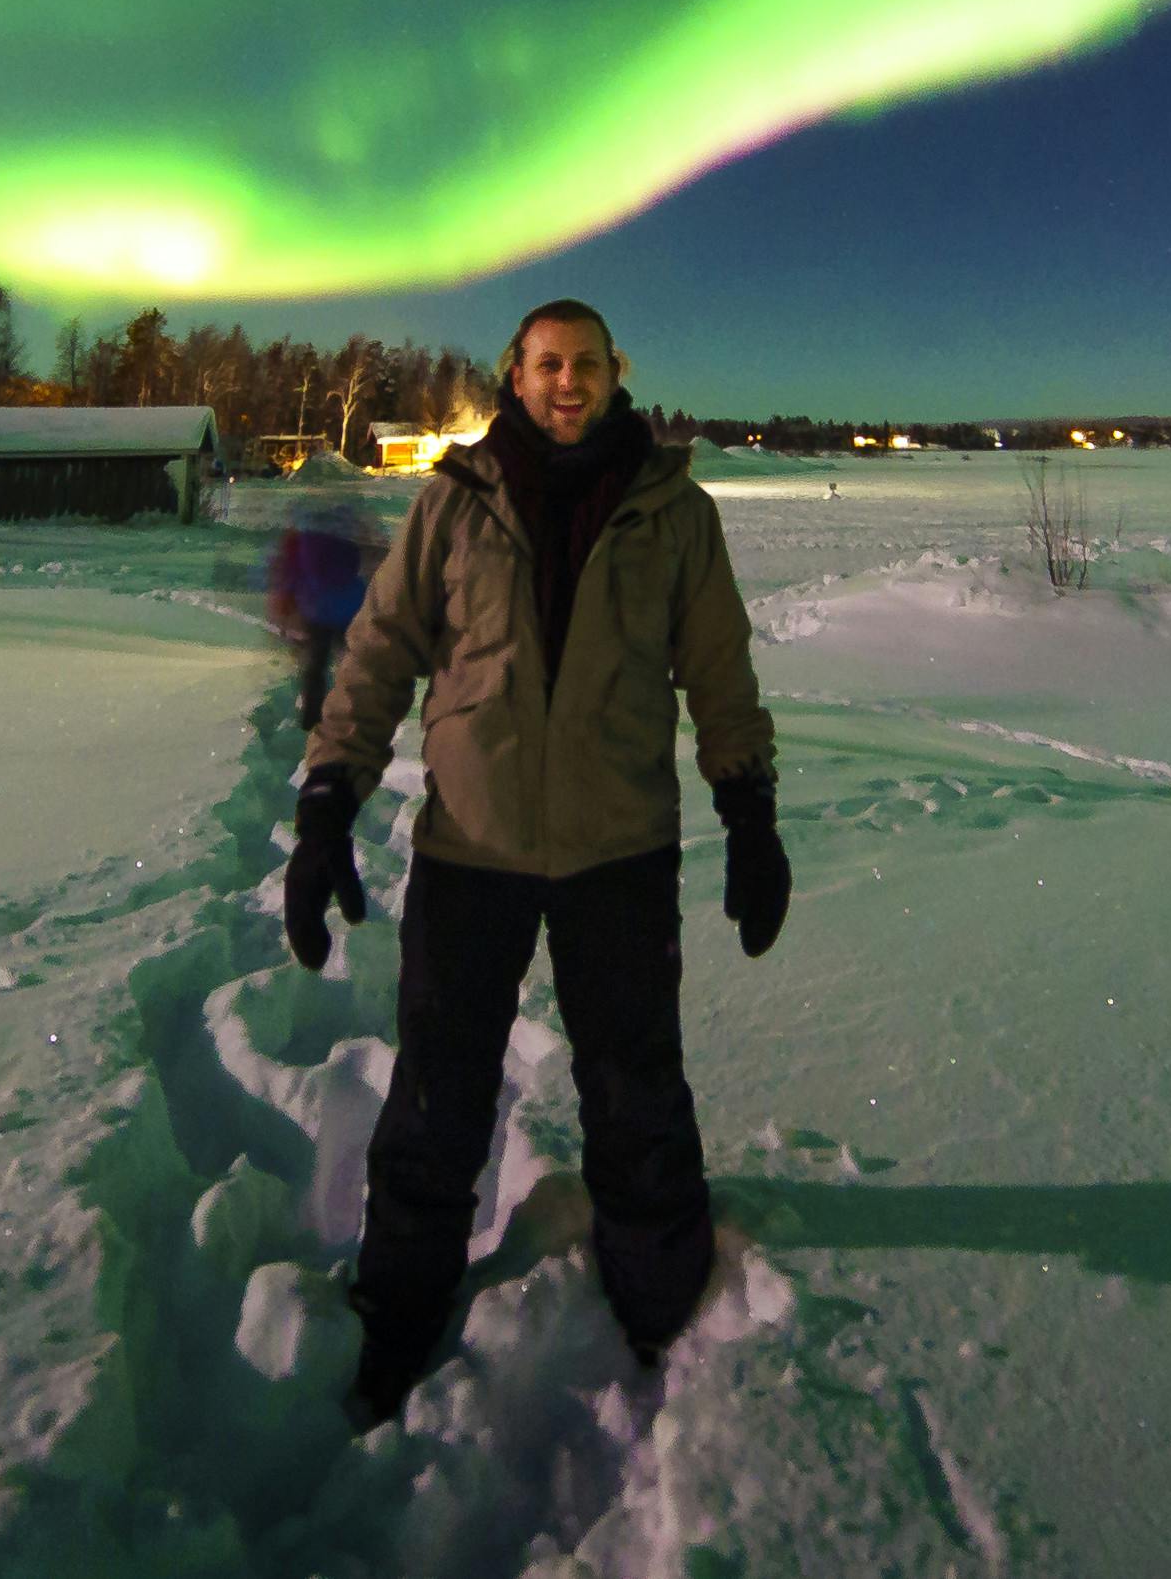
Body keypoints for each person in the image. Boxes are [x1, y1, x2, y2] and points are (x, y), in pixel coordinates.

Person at [281, 297, 790, 1418]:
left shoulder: (674, 511)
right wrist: (329, 799)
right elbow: (377, 653)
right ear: (515, 375)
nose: (569, 382)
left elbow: (719, 667)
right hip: (474, 847)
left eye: (588, 364)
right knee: (437, 1095)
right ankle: (399, 1310)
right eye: (548, 363)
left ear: (618, 374)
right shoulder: (454, 503)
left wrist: (747, 806)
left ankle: (661, 1299)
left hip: (620, 852)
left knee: (637, 1088)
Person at [263, 490, 385, 731]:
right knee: (353, 663)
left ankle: (312, 719)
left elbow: (290, 572)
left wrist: (286, 603)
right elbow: (375, 560)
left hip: (317, 608)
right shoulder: (353, 529)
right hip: (350, 606)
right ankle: (356, 715)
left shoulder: (303, 536)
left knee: (316, 666)